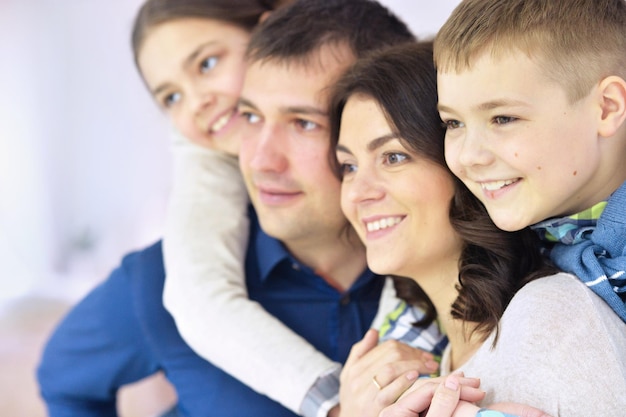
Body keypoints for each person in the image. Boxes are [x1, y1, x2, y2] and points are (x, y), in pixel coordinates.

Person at [37, 1, 441, 416]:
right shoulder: (159, 281)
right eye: (249, 116)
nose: (262, 161)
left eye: (304, 123)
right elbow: (61, 381)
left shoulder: (443, 266)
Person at [329, 40, 626, 416]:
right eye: (348, 167)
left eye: (394, 157)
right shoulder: (423, 354)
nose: (358, 193)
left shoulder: (551, 321)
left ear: (464, 167)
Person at [434, 0, 626, 322]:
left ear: (606, 107)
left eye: (503, 118)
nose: (468, 156)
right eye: (453, 123)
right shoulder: (488, 252)